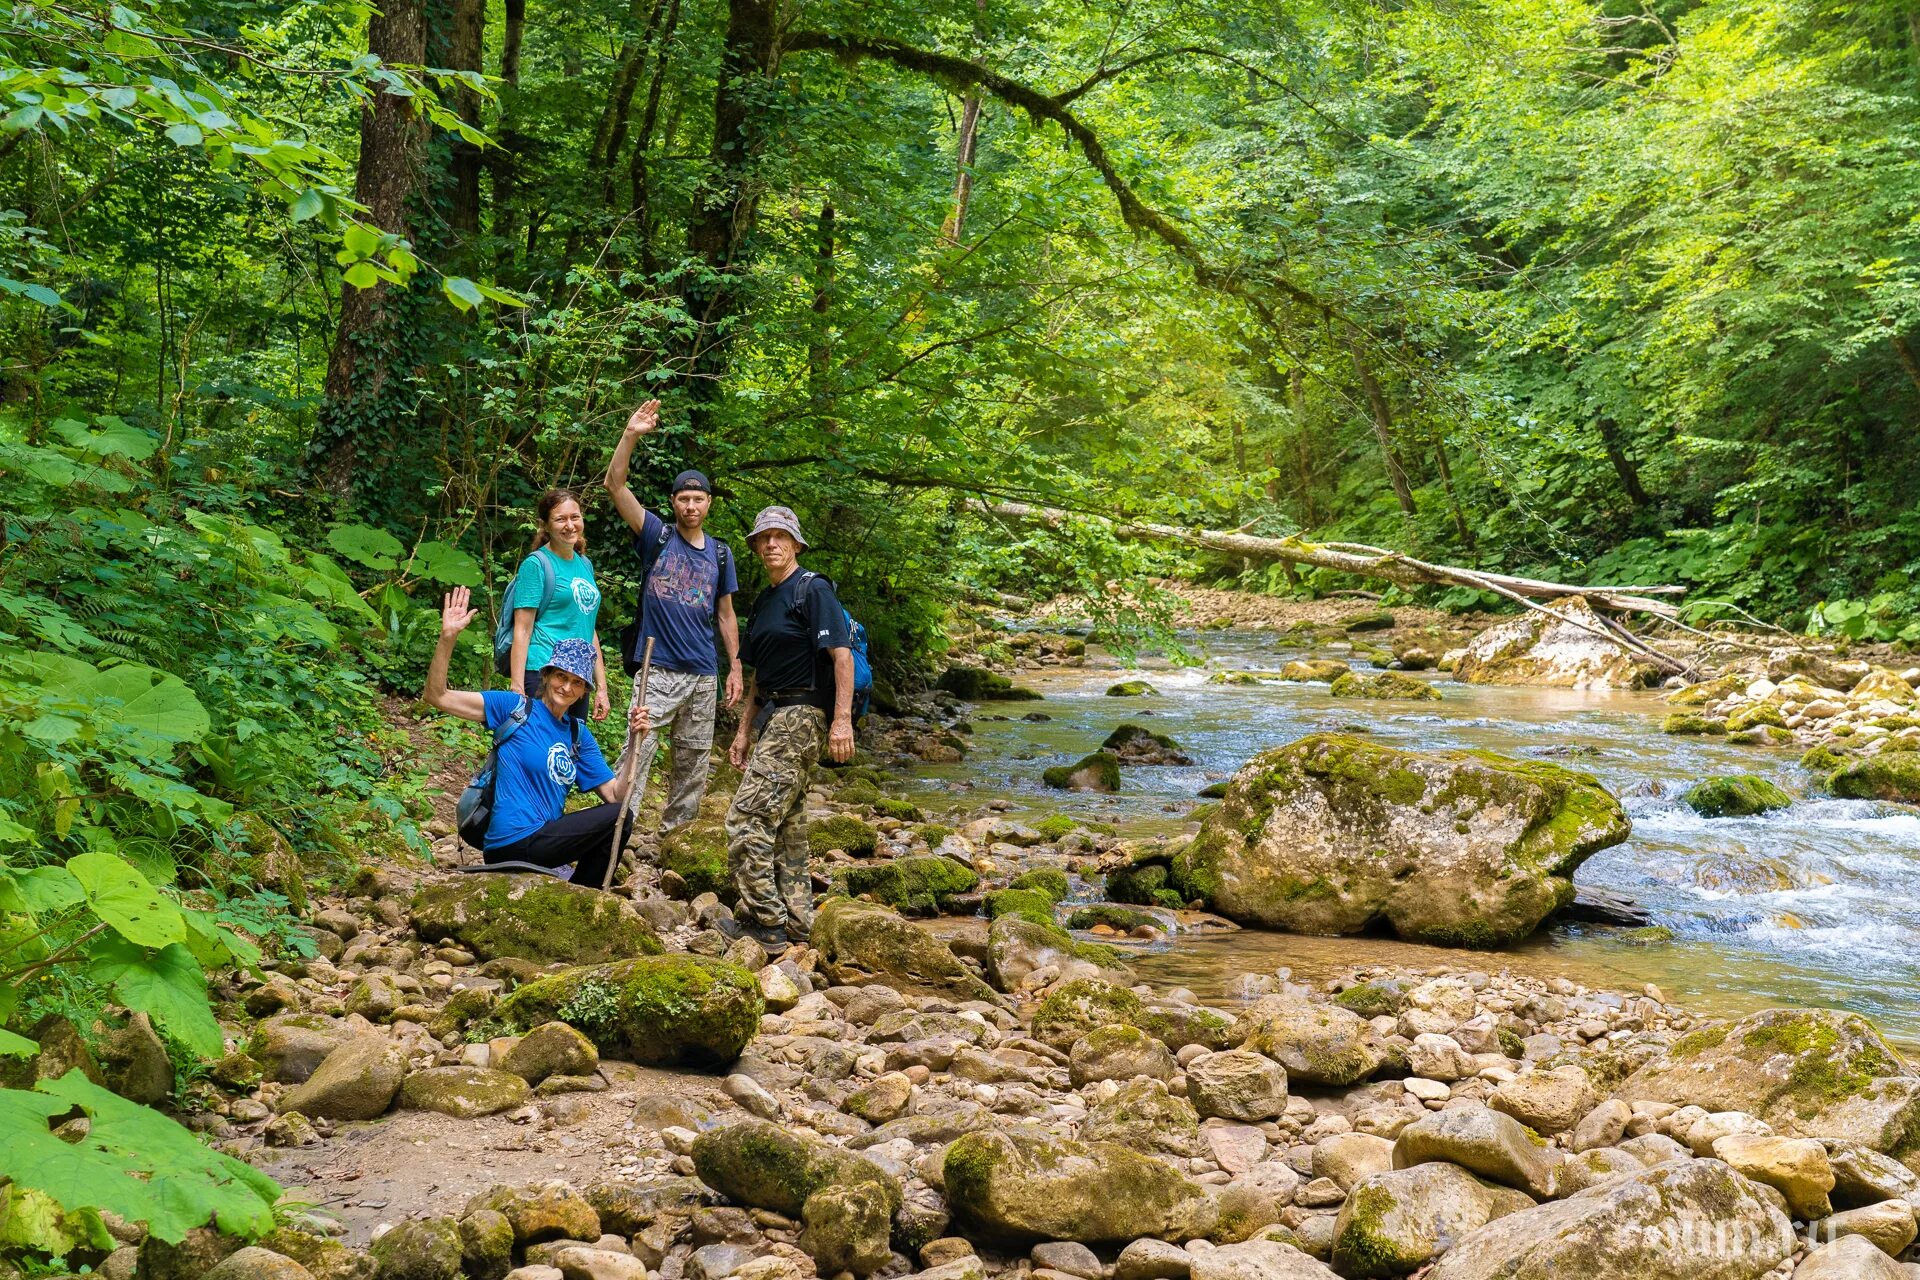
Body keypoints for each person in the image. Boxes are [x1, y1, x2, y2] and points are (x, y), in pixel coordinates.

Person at [428, 589, 647, 886]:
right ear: (546, 676)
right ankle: (584, 896)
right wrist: (448, 637)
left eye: (577, 683)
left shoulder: (577, 734)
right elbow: (437, 696)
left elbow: (615, 796)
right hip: (509, 842)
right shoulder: (515, 709)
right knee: (616, 817)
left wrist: (636, 741)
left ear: (584, 691)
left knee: (621, 815)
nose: (566, 687)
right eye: (561, 676)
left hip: (543, 841)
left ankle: (583, 896)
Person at [604, 399, 743, 831]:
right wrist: (630, 435)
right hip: (657, 668)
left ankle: (676, 838)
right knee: (638, 748)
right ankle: (616, 825)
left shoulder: (721, 554)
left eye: (698, 499)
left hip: (703, 673)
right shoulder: (656, 536)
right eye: (683, 499)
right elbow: (615, 486)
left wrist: (734, 666)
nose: (690, 506)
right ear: (673, 502)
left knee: (694, 759)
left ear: (708, 504)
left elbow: (726, 615)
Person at [726, 506, 855, 946]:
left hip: (802, 716)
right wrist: (743, 731)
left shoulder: (812, 590)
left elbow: (842, 656)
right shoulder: (764, 601)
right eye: (764, 538)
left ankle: (767, 922)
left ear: (796, 544)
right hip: (772, 716)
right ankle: (798, 924)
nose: (771, 544)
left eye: (781, 537)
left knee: (746, 819)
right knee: (788, 824)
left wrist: (841, 722)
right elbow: (760, 676)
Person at [509, 488, 609, 722]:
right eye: (560, 519)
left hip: (578, 676)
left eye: (575, 517)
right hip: (544, 671)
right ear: (545, 525)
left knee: (567, 751)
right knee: (539, 748)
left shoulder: (585, 565)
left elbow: (588, 628)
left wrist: (601, 687)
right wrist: (517, 687)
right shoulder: (536, 564)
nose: (570, 525)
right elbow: (523, 629)